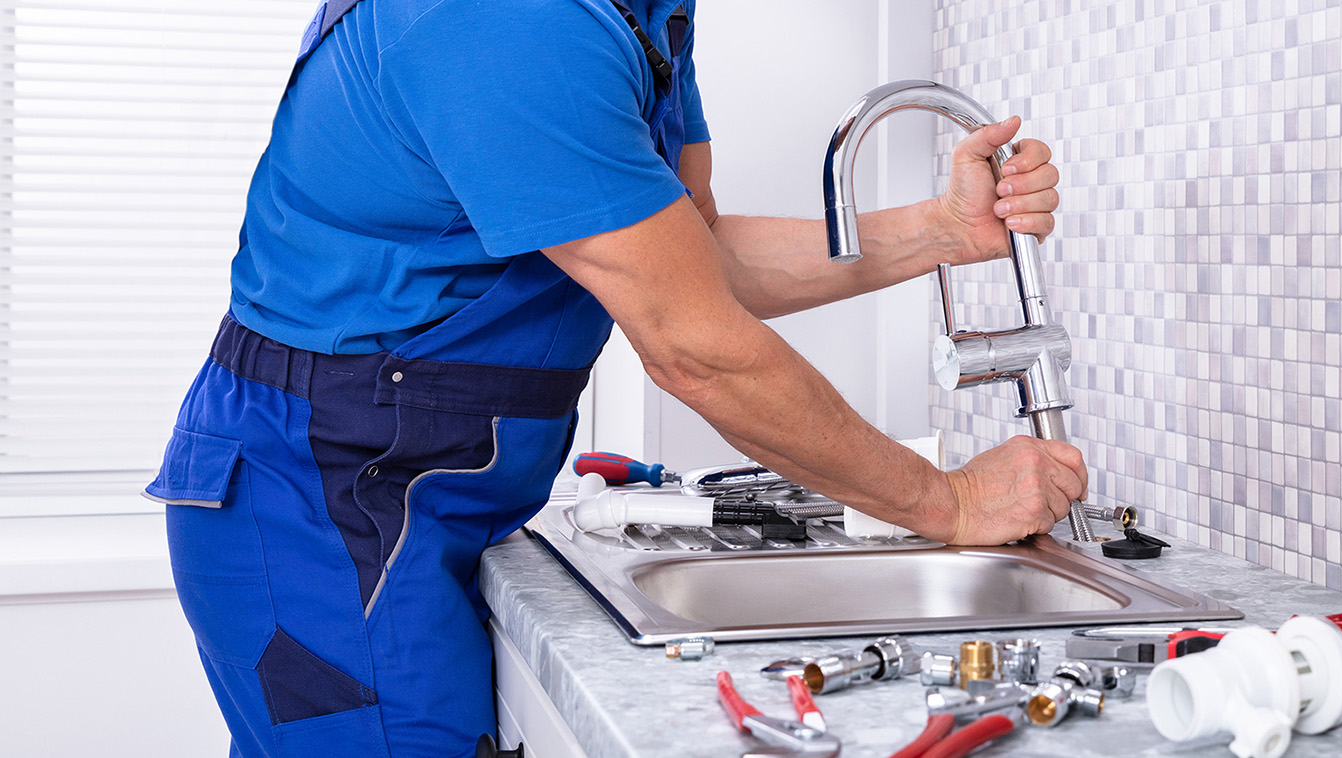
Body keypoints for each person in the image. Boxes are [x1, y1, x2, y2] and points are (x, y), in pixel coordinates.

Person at [142, 0, 1085, 755]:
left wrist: (939, 232)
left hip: (411, 483)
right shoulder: (507, 24)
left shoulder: (642, 14)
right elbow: (694, 343)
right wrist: (948, 501)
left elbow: (692, 260)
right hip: (323, 498)